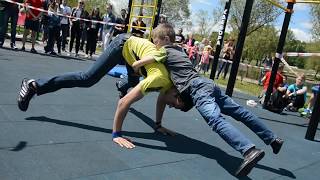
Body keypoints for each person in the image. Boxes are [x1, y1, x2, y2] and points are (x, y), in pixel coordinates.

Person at [124, 23, 283, 177]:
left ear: (165, 39)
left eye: (155, 41)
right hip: (208, 84)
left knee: (215, 120)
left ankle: (249, 150)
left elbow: (147, 59)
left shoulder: (164, 50)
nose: (154, 44)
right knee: (240, 112)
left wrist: (136, 66)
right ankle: (272, 138)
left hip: (197, 89)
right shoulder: (180, 50)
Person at [17, 30, 183, 148]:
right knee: (87, 78)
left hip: (134, 54)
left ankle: (122, 84)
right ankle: (34, 85)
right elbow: (125, 103)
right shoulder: (162, 78)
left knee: (133, 81)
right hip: (122, 46)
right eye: (175, 105)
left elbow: (163, 99)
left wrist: (159, 125)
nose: (171, 107)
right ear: (176, 95)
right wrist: (117, 134)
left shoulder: (170, 85)